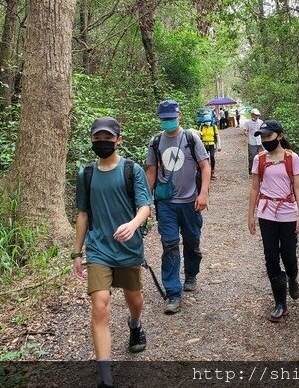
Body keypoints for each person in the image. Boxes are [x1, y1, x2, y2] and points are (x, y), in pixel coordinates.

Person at [74, 117, 153, 388]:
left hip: (128, 248)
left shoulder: (132, 170)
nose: (103, 143)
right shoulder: (86, 174)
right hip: (98, 249)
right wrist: (77, 253)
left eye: (108, 138)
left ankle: (135, 324)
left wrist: (133, 225)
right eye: (98, 139)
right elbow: (83, 214)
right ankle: (105, 378)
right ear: (91, 141)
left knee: (135, 299)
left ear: (119, 139)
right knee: (100, 305)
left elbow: (145, 206)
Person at [146, 100, 211, 314]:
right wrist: (145, 201)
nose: (168, 122)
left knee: (192, 241)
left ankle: (191, 273)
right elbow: (151, 173)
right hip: (166, 204)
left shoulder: (191, 138)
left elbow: (204, 166)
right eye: (164, 119)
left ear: (179, 115)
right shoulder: (155, 142)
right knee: (170, 244)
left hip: (191, 201)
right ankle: (173, 293)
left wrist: (203, 194)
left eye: (171, 118)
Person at [247, 120, 299, 322]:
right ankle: (280, 303)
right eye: (262, 137)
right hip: (267, 214)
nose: (265, 141)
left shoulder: (292, 158)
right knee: (271, 258)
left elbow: (298, 187)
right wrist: (251, 215)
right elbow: (254, 188)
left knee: (288, 256)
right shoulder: (259, 159)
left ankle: (292, 277)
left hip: (288, 213)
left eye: (268, 136)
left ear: (279, 136)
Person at [242, 108, 264, 175]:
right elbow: (245, 130)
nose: (256, 116)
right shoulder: (248, 123)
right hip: (252, 142)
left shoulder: (261, 122)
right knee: (252, 157)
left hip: (260, 142)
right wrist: (245, 132)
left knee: (262, 156)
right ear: (252, 115)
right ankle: (251, 169)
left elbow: (263, 130)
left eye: (257, 115)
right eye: (255, 115)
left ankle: (261, 170)